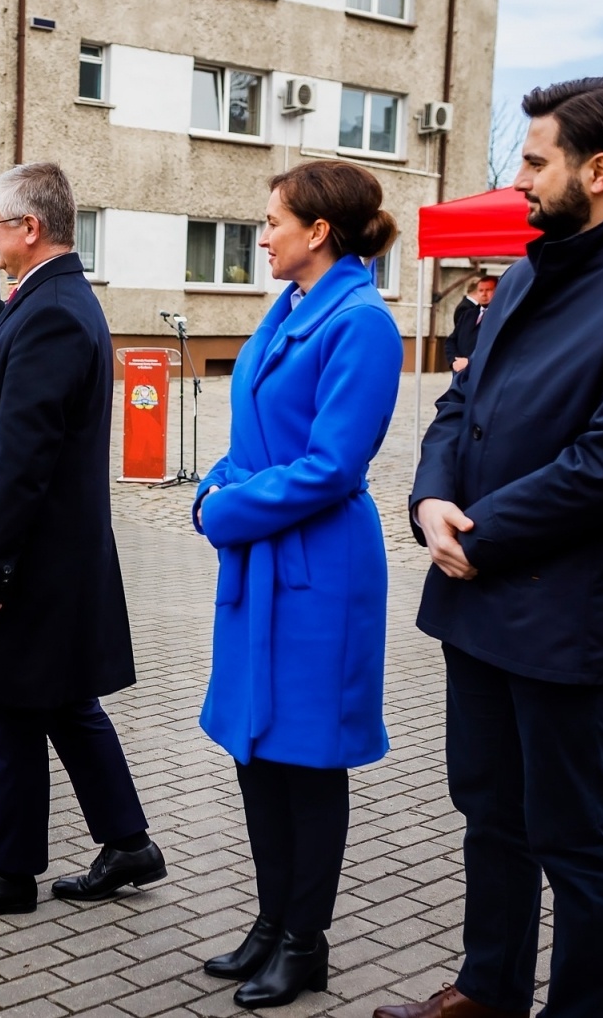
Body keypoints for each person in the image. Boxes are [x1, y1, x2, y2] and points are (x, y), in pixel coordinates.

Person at [381, 78, 603, 1018]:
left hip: (569, 612)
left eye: (536, 162)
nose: (521, 180)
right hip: (479, 594)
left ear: (598, 169)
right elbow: (459, 406)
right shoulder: (529, 272)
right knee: (488, 813)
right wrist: (432, 499)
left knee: (571, 837)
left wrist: (477, 536)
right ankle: (487, 990)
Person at [0, 161, 164, 917]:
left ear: (30, 228)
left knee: (11, 709)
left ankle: (10, 871)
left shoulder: (53, 311)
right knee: (60, 703)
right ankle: (128, 842)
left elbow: (24, 457)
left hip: (29, 564)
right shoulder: (42, 302)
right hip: (44, 560)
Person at [193, 160, 402, 1009]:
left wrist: (227, 510)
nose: (262, 232)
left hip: (318, 567)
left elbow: (332, 466)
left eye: (273, 219)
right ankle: (271, 919)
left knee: (308, 761)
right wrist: (215, 487)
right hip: (263, 555)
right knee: (257, 750)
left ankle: (305, 942)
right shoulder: (286, 308)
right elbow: (252, 440)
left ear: (318, 231)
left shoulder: (363, 323)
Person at [443, 275, 496, 373]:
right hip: (460, 374)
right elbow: (451, 341)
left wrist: (470, 361)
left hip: (484, 374)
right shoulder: (468, 315)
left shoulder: (501, 317)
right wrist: (454, 361)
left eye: (488, 290)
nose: (484, 294)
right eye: (480, 290)